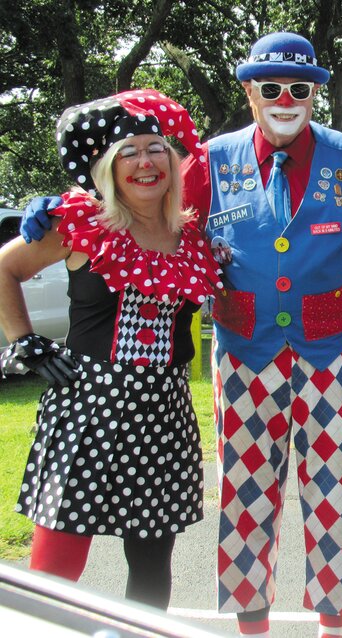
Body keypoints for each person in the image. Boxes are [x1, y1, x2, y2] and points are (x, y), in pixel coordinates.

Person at [21, 32, 342, 638]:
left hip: (332, 355)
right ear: (249, 93)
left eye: (298, 88)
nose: (284, 98)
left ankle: (333, 628)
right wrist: (72, 204)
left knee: (335, 500)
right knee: (245, 500)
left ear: (314, 95)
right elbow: (151, 204)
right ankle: (253, 629)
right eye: (270, 87)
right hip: (245, 356)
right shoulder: (213, 159)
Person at [0, 90, 222, 609]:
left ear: (173, 162)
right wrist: (24, 341)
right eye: (128, 152)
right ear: (107, 166)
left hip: (163, 416)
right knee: (57, 562)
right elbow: (5, 267)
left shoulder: (193, 238)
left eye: (156, 149)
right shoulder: (80, 223)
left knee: (150, 564)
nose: (145, 162)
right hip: (87, 412)